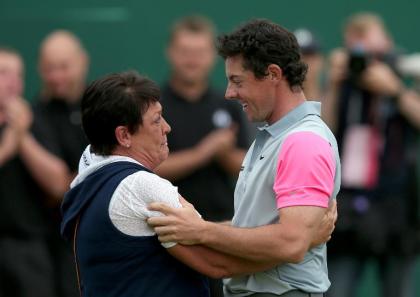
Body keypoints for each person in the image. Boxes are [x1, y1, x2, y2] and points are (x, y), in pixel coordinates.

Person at [61, 71, 337, 297]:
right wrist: (301, 240)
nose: (167, 127)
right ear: (124, 135)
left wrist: (204, 230)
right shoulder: (144, 187)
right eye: (156, 120)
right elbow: (217, 262)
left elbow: (202, 236)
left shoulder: (88, 179)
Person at [148, 19, 341, 297]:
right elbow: (253, 230)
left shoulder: (303, 142)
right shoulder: (275, 136)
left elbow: (290, 243)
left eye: (237, 81)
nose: (229, 92)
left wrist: (202, 231)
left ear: (273, 74)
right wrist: (191, 229)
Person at [322, 12, 420, 297]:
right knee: (336, 289)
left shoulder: (404, 74)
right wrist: (335, 84)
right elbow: (323, 130)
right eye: (360, 53)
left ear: (388, 45)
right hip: (350, 207)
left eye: (375, 53)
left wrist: (394, 90)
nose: (368, 64)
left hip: (396, 206)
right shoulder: (344, 83)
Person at [156, 16, 250, 296]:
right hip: (167, 230)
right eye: (185, 52)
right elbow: (148, 169)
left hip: (220, 227)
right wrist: (204, 152)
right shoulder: (154, 105)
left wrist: (223, 154)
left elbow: (244, 165)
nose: (192, 60)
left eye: (199, 52)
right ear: (170, 52)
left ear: (212, 56)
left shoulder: (229, 102)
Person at [23, 30, 89, 297]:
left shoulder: (102, 106)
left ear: (82, 62)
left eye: (64, 67)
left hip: (102, 236)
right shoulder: (34, 115)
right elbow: (60, 186)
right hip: (53, 240)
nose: (56, 77)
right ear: (39, 68)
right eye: (50, 68)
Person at [0, 47, 57, 297]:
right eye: (3, 73)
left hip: (27, 245)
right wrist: (7, 148)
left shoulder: (36, 121)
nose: (13, 82)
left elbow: (58, 183)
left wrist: (22, 138)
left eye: (18, 74)